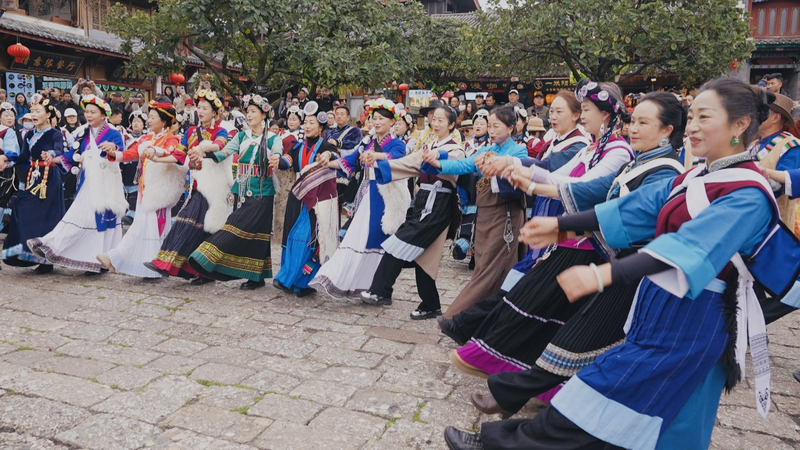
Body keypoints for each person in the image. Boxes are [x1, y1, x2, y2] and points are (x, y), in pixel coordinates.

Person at [443, 77, 776, 450]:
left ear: (740, 125)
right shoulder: (696, 175)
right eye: (691, 116)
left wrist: (602, 273)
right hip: (660, 310)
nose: (692, 126)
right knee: (634, 411)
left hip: (692, 323)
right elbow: (631, 209)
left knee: (614, 399)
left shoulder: (748, 193)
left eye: (704, 117)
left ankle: (499, 443)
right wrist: (559, 225)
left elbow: (686, 250)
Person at [466, 92, 686, 422]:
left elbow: (613, 210)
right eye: (633, 120)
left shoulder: (661, 171)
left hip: (634, 272)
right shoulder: (635, 161)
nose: (634, 128)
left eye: (644, 122)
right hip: (612, 260)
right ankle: (525, 401)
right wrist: (544, 204)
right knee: (578, 338)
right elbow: (592, 195)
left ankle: (535, 410)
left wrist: (558, 223)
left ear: (667, 130)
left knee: (581, 341)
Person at [446, 80, 633, 378]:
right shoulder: (594, 148)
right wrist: (521, 171)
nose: (581, 116)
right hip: (565, 235)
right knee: (532, 299)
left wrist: (524, 175)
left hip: (584, 239)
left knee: (534, 300)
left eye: (584, 110)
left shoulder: (612, 149)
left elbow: (583, 187)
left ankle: (494, 356)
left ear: (605, 115)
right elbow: (555, 173)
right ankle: (496, 357)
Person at [360, 105, 466, 319]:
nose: (435, 124)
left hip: (438, 203)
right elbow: (410, 162)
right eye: (433, 119)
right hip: (424, 201)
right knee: (424, 257)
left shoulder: (456, 148)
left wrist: (437, 156)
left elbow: (454, 163)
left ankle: (381, 291)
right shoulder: (430, 144)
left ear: (452, 125)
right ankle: (430, 304)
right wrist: (381, 162)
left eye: (440, 120)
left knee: (396, 244)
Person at [424, 106, 529, 319]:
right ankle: (488, 314)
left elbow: (516, 176)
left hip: (505, 214)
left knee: (494, 265)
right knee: (483, 262)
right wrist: (437, 164)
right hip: (486, 214)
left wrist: (494, 165)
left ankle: (461, 315)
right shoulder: (485, 149)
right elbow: (463, 165)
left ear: (510, 128)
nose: (490, 130)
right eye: (489, 126)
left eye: (495, 126)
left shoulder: (518, 151)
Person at [310, 99, 408, 298]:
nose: (377, 122)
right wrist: (328, 162)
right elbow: (349, 161)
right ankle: (360, 283)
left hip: (385, 196)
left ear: (392, 122)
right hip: (367, 195)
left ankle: (380, 288)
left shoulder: (397, 144)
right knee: (358, 236)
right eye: (375, 118)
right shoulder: (367, 143)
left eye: (382, 119)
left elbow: (396, 158)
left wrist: (376, 157)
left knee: (379, 239)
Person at [188, 95, 282, 290]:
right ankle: (256, 276)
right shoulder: (241, 136)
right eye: (248, 112)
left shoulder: (273, 138)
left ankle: (207, 256)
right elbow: (224, 153)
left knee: (245, 229)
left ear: (264, 115)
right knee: (255, 233)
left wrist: (276, 158)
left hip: (262, 192)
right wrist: (204, 153)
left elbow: (278, 152)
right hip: (241, 190)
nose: (249, 115)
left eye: (254, 112)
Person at [27, 95, 126, 275]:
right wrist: (54, 158)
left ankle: (101, 260)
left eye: (92, 112)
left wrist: (112, 148)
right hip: (88, 182)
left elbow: (120, 152)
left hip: (107, 183)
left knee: (102, 221)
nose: (88, 115)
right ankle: (54, 246)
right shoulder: (82, 133)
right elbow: (72, 154)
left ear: (103, 114)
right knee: (80, 216)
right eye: (86, 112)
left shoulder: (113, 133)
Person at [144, 89, 231, 283]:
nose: (200, 111)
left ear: (215, 113)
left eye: (204, 108)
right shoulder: (191, 131)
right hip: (196, 186)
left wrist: (203, 147)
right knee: (197, 227)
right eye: (198, 107)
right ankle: (196, 270)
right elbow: (179, 155)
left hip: (214, 188)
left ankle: (167, 263)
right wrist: (158, 159)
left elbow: (219, 145)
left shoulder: (221, 131)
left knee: (190, 222)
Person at [97, 102, 184, 278]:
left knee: (150, 227)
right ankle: (151, 266)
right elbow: (130, 154)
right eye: (149, 117)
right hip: (145, 188)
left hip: (160, 191)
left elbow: (170, 152)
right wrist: (114, 153)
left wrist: (155, 150)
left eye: (152, 117)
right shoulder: (145, 139)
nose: (149, 120)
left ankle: (115, 258)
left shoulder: (172, 139)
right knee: (142, 225)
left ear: (164, 121)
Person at [271, 101, 339, 297]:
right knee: (292, 236)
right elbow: (287, 162)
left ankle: (296, 281)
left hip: (317, 199)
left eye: (311, 122)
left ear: (320, 126)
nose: (307, 126)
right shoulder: (297, 147)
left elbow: (333, 155)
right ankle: (294, 281)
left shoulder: (325, 145)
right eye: (305, 122)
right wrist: (278, 161)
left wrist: (327, 154)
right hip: (298, 196)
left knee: (308, 238)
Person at [0, 97, 65, 273]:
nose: (34, 115)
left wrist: (50, 154)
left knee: (47, 217)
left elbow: (59, 150)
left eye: (38, 112)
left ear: (48, 114)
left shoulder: (55, 134)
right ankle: (28, 252)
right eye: (32, 111)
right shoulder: (29, 135)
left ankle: (47, 260)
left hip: (49, 179)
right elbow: (23, 157)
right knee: (21, 205)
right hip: (33, 178)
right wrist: (7, 160)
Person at [274, 104, 305, 240]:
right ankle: (278, 232)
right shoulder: (282, 133)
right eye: (290, 119)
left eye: (295, 119)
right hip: (279, 170)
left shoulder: (302, 134)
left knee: (289, 201)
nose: (292, 122)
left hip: (293, 171)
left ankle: (289, 233)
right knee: (279, 201)